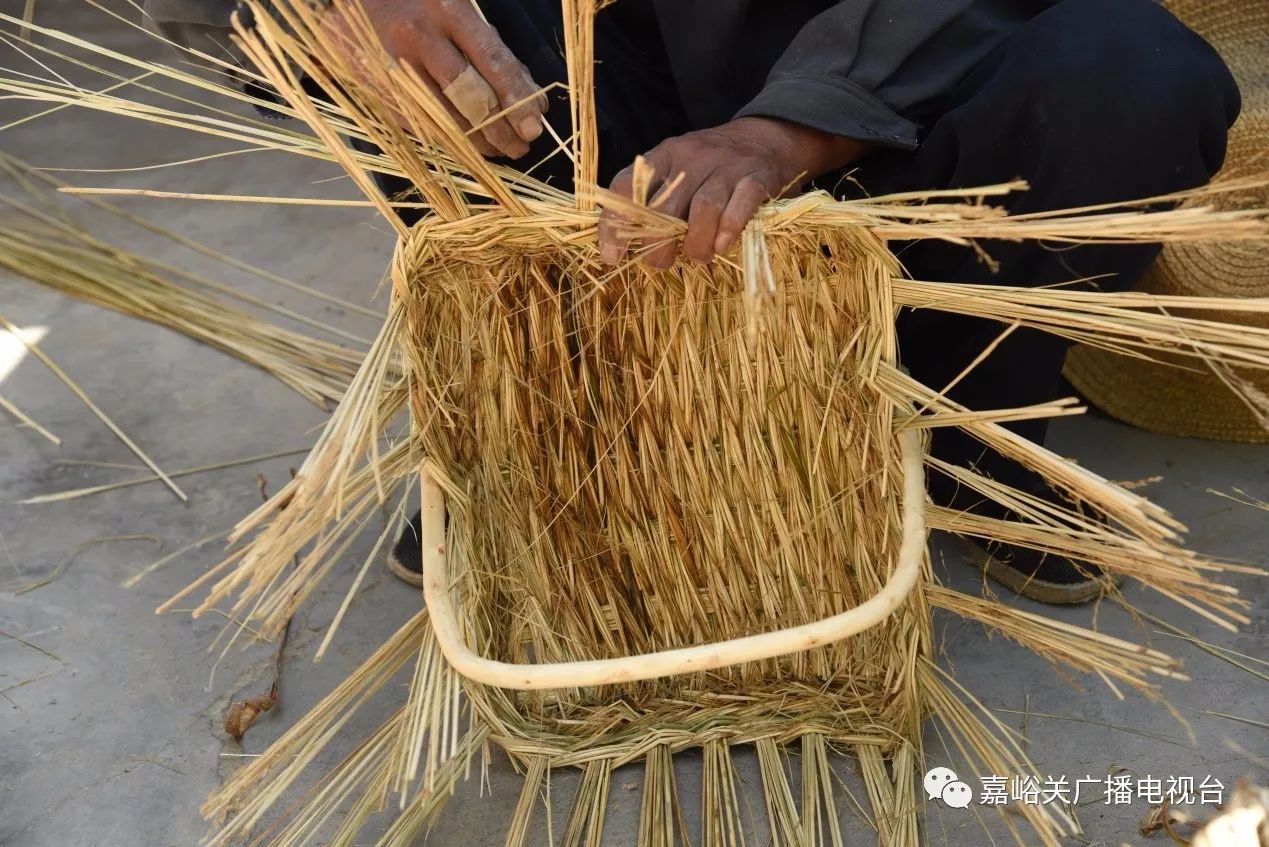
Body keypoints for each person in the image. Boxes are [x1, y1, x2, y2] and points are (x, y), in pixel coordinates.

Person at [147, 0, 1240, 604]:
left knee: (1130, 68)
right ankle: (547, 419)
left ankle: (965, 429)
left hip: (916, 114)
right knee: (322, 22)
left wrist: (789, 129)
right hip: (603, 112)